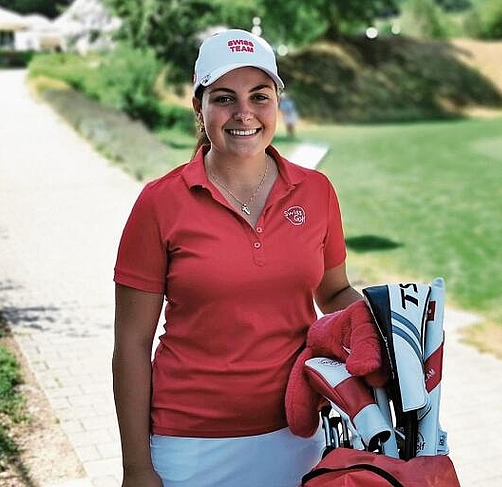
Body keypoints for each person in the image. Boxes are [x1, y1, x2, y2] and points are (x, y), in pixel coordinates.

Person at [112, 29, 366, 487]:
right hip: (188, 445)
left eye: (259, 96)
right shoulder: (159, 203)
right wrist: (136, 468)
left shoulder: (316, 191)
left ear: (276, 104)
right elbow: (132, 345)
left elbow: (333, 292)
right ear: (199, 107)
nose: (244, 113)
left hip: (297, 434)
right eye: (225, 98)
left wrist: (385, 326)